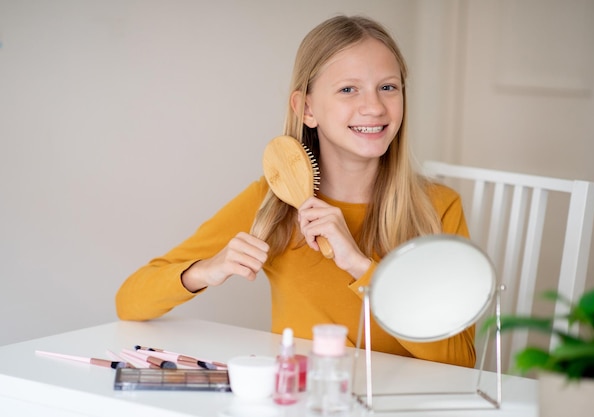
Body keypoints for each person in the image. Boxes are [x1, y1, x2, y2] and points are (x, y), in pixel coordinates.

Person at [116, 15, 475, 368]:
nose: (374, 106)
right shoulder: (273, 204)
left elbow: (461, 359)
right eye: (348, 89)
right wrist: (206, 270)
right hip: (306, 401)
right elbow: (129, 301)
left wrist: (360, 266)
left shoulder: (437, 208)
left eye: (388, 87)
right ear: (306, 109)